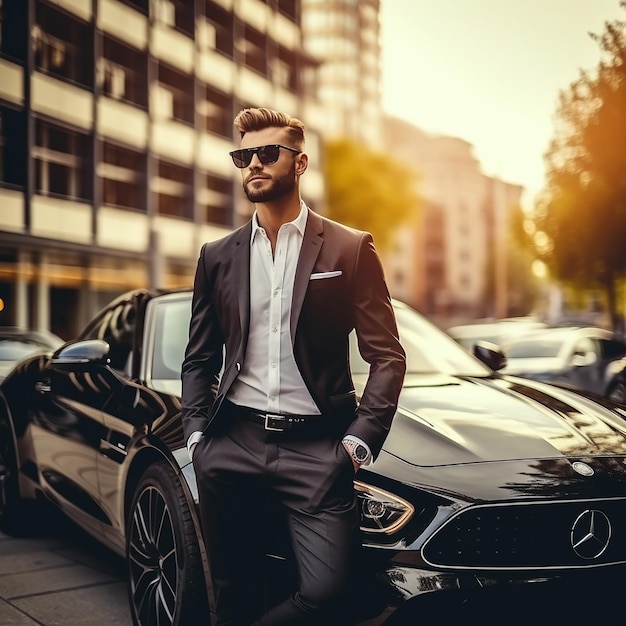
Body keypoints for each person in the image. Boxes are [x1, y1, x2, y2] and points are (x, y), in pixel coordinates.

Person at [181, 107, 406, 625]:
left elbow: (387, 355)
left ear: (300, 164)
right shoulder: (218, 256)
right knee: (233, 587)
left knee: (328, 591)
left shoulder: (350, 248)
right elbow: (199, 356)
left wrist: (354, 444)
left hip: (317, 449)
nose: (253, 164)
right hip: (232, 442)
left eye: (266, 153)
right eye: (244, 156)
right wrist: (198, 436)